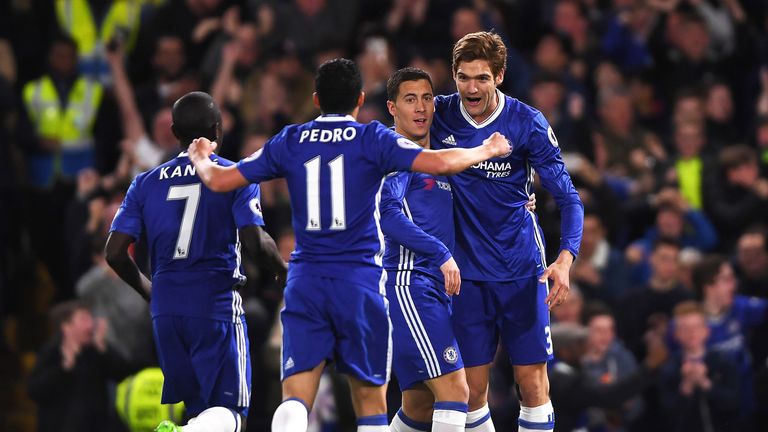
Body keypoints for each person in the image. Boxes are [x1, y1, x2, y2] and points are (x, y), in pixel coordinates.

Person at [185, 58, 512, 432]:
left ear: (316, 99)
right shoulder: (372, 138)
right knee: (371, 405)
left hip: (305, 280)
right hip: (360, 283)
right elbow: (439, 163)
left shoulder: (290, 140)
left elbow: (220, 180)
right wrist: (485, 150)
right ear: (360, 99)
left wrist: (200, 156)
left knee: (294, 399)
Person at [105, 91, 287, 432]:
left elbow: (114, 253)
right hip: (213, 305)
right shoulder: (234, 175)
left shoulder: (143, 184)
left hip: (166, 314)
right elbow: (254, 241)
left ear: (175, 132)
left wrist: (152, 292)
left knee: (202, 413)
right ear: (218, 130)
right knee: (231, 413)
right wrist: (282, 270)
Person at [430, 31, 584, 431]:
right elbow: (397, 136)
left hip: (521, 270)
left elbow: (569, 199)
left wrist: (565, 260)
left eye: (481, 77)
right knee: (470, 392)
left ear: (499, 76)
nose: (471, 87)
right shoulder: (440, 114)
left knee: (532, 384)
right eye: (463, 77)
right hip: (465, 276)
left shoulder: (526, 122)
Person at [28, 300, 133, 432]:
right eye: (84, 319)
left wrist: (103, 350)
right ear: (66, 326)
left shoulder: (96, 350)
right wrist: (63, 368)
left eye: (90, 318)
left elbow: (124, 375)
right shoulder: (51, 352)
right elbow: (34, 391)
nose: (90, 324)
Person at [659, 301, 741, 432]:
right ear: (676, 334)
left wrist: (706, 384)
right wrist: (686, 386)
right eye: (685, 328)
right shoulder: (669, 369)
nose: (692, 333)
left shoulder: (723, 362)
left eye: (696, 327)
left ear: (706, 331)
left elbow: (733, 402)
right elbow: (668, 412)